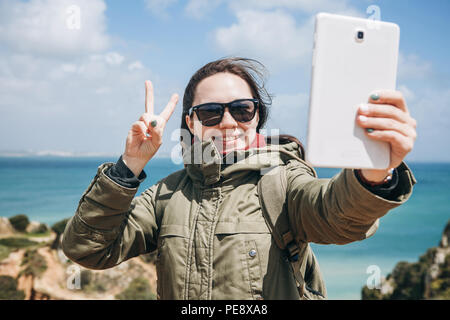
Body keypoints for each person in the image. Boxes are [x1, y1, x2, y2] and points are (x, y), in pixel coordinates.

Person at [62, 57, 417, 300]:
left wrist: (373, 172)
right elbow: (88, 249)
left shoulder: (283, 181)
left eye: (242, 109)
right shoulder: (166, 194)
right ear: (191, 123)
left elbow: (335, 216)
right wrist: (130, 165)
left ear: (257, 116)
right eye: (211, 113)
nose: (229, 122)